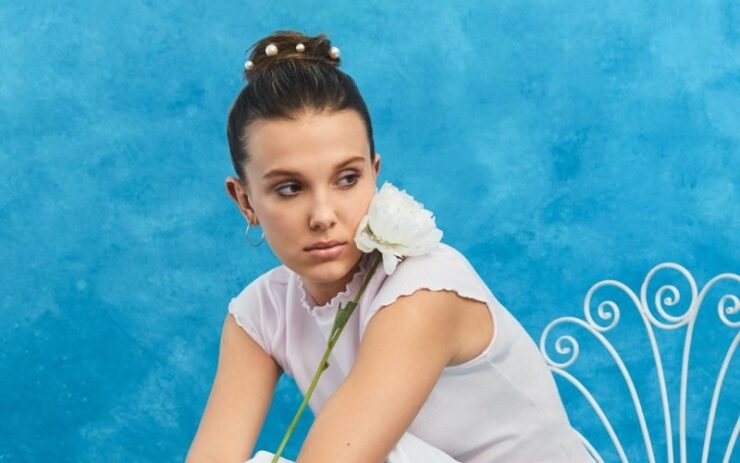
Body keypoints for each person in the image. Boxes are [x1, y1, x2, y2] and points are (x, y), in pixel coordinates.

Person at [186, 30, 593, 463]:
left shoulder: (423, 290)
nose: (323, 215)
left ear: (374, 173)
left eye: (347, 179)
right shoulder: (260, 315)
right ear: (245, 200)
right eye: (290, 188)